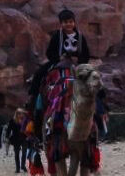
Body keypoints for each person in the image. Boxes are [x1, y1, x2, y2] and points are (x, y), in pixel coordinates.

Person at [28, 8, 92, 141]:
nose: (68, 24)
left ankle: (100, 107)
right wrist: (60, 58)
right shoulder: (57, 36)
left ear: (74, 22)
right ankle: (33, 99)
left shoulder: (80, 37)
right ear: (61, 24)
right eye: (65, 22)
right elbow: (49, 53)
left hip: (77, 65)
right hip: (59, 63)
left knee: (93, 79)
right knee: (40, 73)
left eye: (70, 22)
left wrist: (78, 60)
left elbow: (86, 53)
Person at [6, 108, 27, 173]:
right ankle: (17, 168)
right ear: (16, 114)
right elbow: (9, 129)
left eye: (21, 113)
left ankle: (23, 166)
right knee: (17, 154)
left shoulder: (25, 120)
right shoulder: (12, 120)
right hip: (16, 139)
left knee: (24, 152)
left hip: (24, 138)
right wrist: (7, 137)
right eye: (19, 113)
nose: (21, 115)